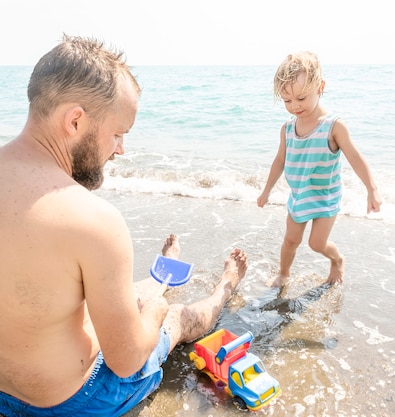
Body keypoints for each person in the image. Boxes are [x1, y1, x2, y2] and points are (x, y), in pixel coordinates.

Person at [0, 35, 247, 417]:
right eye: (118, 134)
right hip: (72, 402)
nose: (120, 150)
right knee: (170, 315)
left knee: (103, 291)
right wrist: (157, 312)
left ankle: (162, 272)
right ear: (76, 121)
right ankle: (225, 284)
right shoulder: (91, 219)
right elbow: (127, 361)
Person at [257, 51, 382, 287]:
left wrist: (372, 189)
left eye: (301, 98)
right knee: (291, 240)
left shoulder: (333, 126)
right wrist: (266, 191)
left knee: (316, 243)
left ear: (320, 87)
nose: (294, 106)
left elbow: (355, 157)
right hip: (300, 195)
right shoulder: (287, 129)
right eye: (287, 101)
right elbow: (279, 161)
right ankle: (284, 274)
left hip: (325, 197)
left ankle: (337, 259)